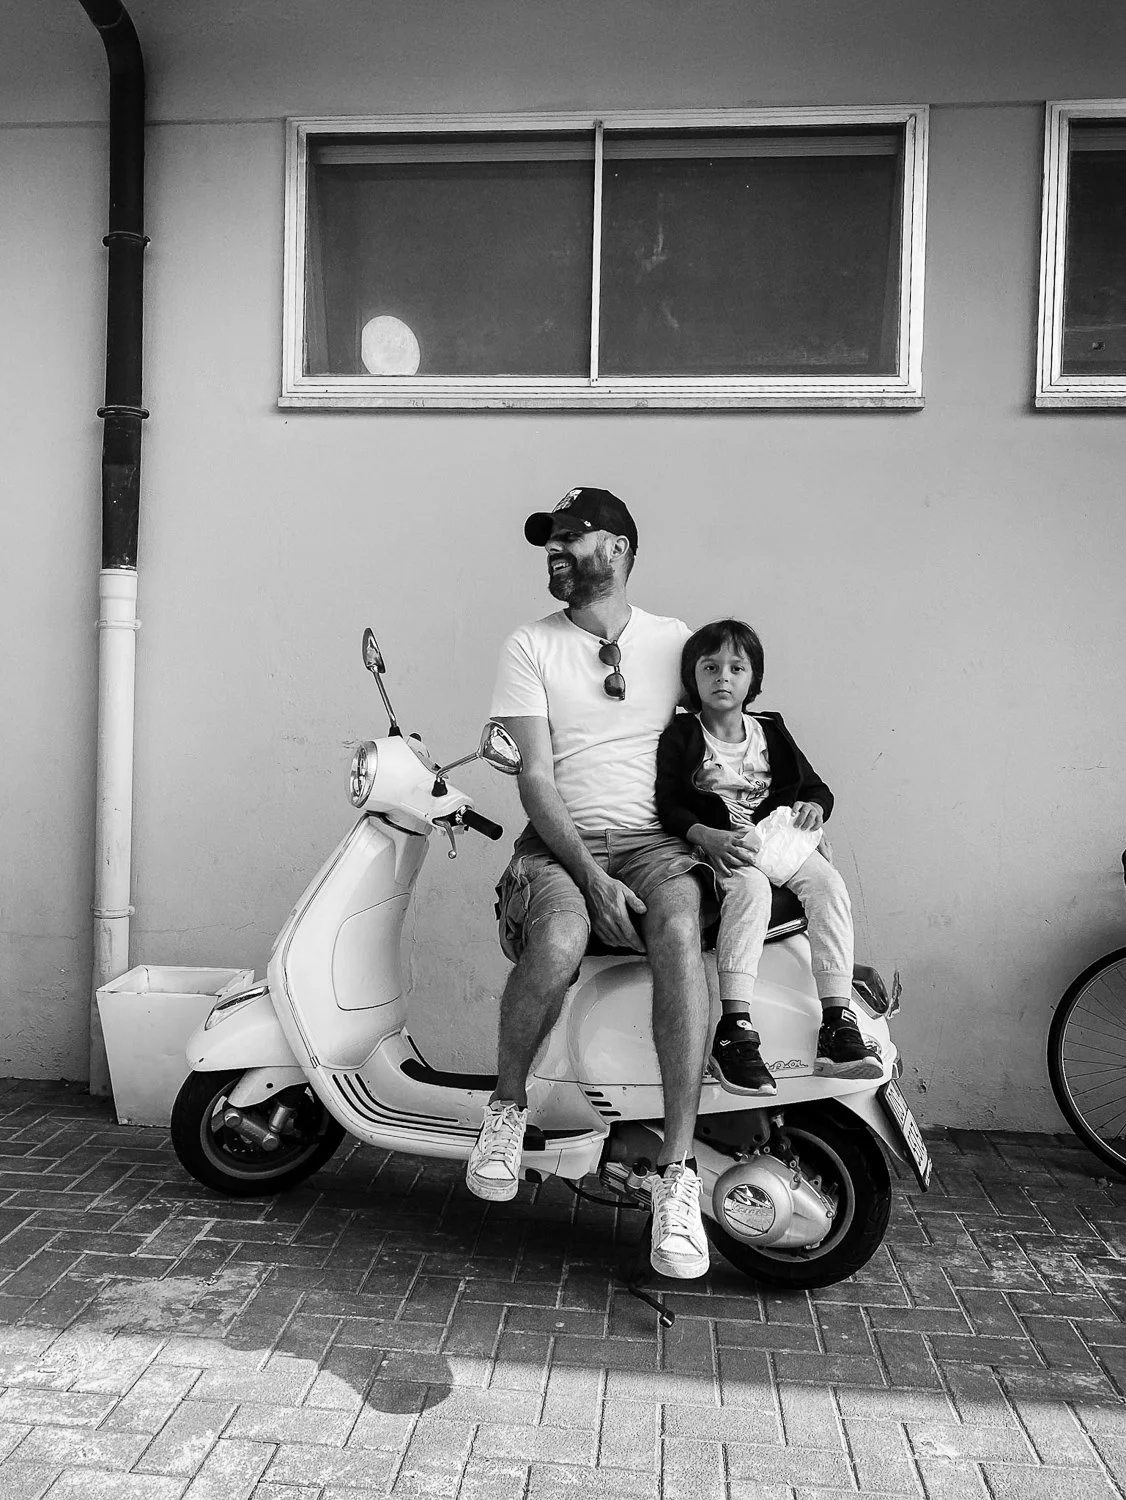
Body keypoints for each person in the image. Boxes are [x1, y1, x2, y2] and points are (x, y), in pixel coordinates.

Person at [467, 487, 715, 1281]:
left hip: (655, 844)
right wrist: (589, 878)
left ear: (618, 549)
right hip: (558, 846)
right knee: (561, 936)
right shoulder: (528, 645)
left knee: (679, 933)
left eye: (572, 539)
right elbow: (534, 777)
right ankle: (506, 1111)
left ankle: (678, 1177)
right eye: (551, 540)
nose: (556, 551)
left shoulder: (677, 643)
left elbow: (731, 729)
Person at [655, 619, 881, 1096]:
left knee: (829, 885)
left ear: (752, 680)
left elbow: (816, 787)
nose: (723, 677)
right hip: (724, 846)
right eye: (710, 667)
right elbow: (668, 802)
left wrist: (813, 807)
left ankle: (838, 1024)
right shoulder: (681, 733)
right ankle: (735, 1028)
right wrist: (706, 836)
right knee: (752, 890)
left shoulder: (771, 732)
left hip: (778, 844)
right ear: (691, 677)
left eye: (737, 668)